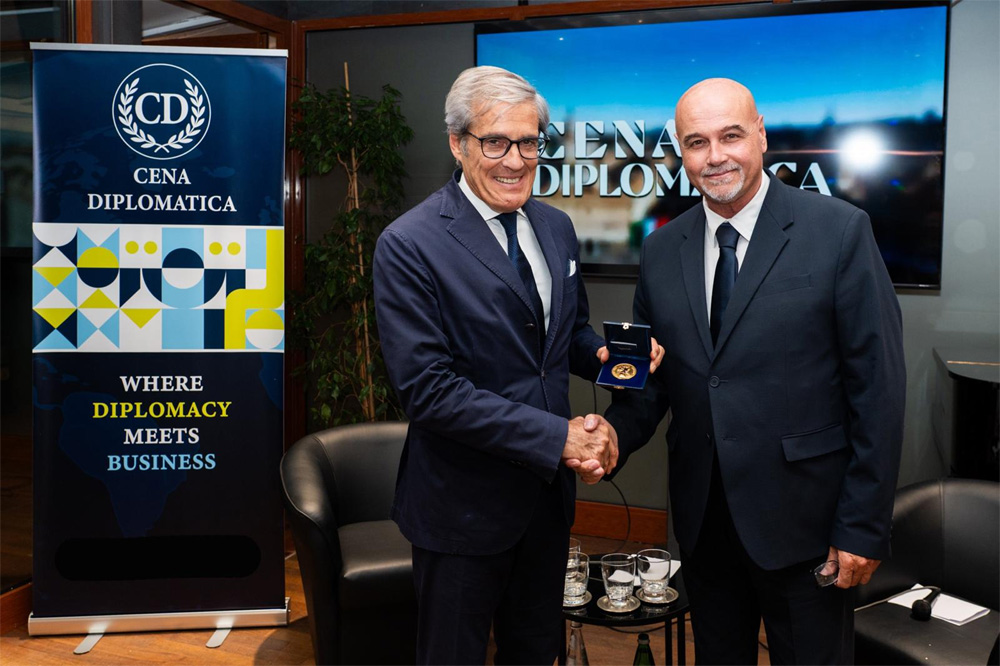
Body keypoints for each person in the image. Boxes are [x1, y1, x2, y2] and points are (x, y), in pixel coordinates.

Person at [596, 78, 906, 664]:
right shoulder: (662, 249)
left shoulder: (839, 230)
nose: (715, 156)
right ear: (681, 152)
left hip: (808, 528)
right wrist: (611, 436)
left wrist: (862, 526)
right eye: (697, 142)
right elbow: (652, 380)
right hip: (704, 524)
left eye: (731, 136)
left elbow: (878, 389)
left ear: (760, 134)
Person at [373, 66, 659, 664]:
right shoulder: (409, 243)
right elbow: (429, 391)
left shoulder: (555, 226)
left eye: (529, 143)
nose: (516, 160)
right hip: (461, 508)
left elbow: (565, 336)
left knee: (535, 652)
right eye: (495, 142)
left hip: (545, 503)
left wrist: (605, 357)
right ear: (457, 143)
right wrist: (560, 438)